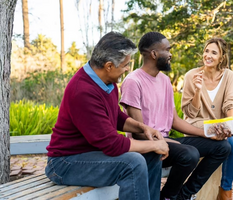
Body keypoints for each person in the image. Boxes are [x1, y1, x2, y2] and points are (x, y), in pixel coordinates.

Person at [45, 32, 169, 200]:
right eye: (125, 65)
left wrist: (143, 127)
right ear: (109, 66)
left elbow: (116, 116)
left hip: (91, 154)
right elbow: (112, 144)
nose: (127, 69)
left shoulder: (107, 82)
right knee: (133, 163)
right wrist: (154, 145)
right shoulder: (82, 91)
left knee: (150, 156)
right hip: (65, 164)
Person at [120, 32, 231, 200]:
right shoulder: (133, 81)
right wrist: (164, 142)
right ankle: (168, 197)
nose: (170, 54)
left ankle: (183, 196)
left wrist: (208, 134)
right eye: (167, 49)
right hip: (147, 145)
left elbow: (174, 121)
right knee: (190, 153)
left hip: (166, 141)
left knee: (222, 147)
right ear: (154, 54)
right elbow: (138, 132)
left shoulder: (164, 81)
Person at [181, 37, 233, 200]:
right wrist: (198, 91)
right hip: (199, 127)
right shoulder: (191, 76)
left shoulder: (228, 75)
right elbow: (190, 113)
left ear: (222, 57)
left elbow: (231, 103)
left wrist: (232, 125)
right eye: (206, 51)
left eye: (214, 52)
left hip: (221, 125)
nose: (208, 55)